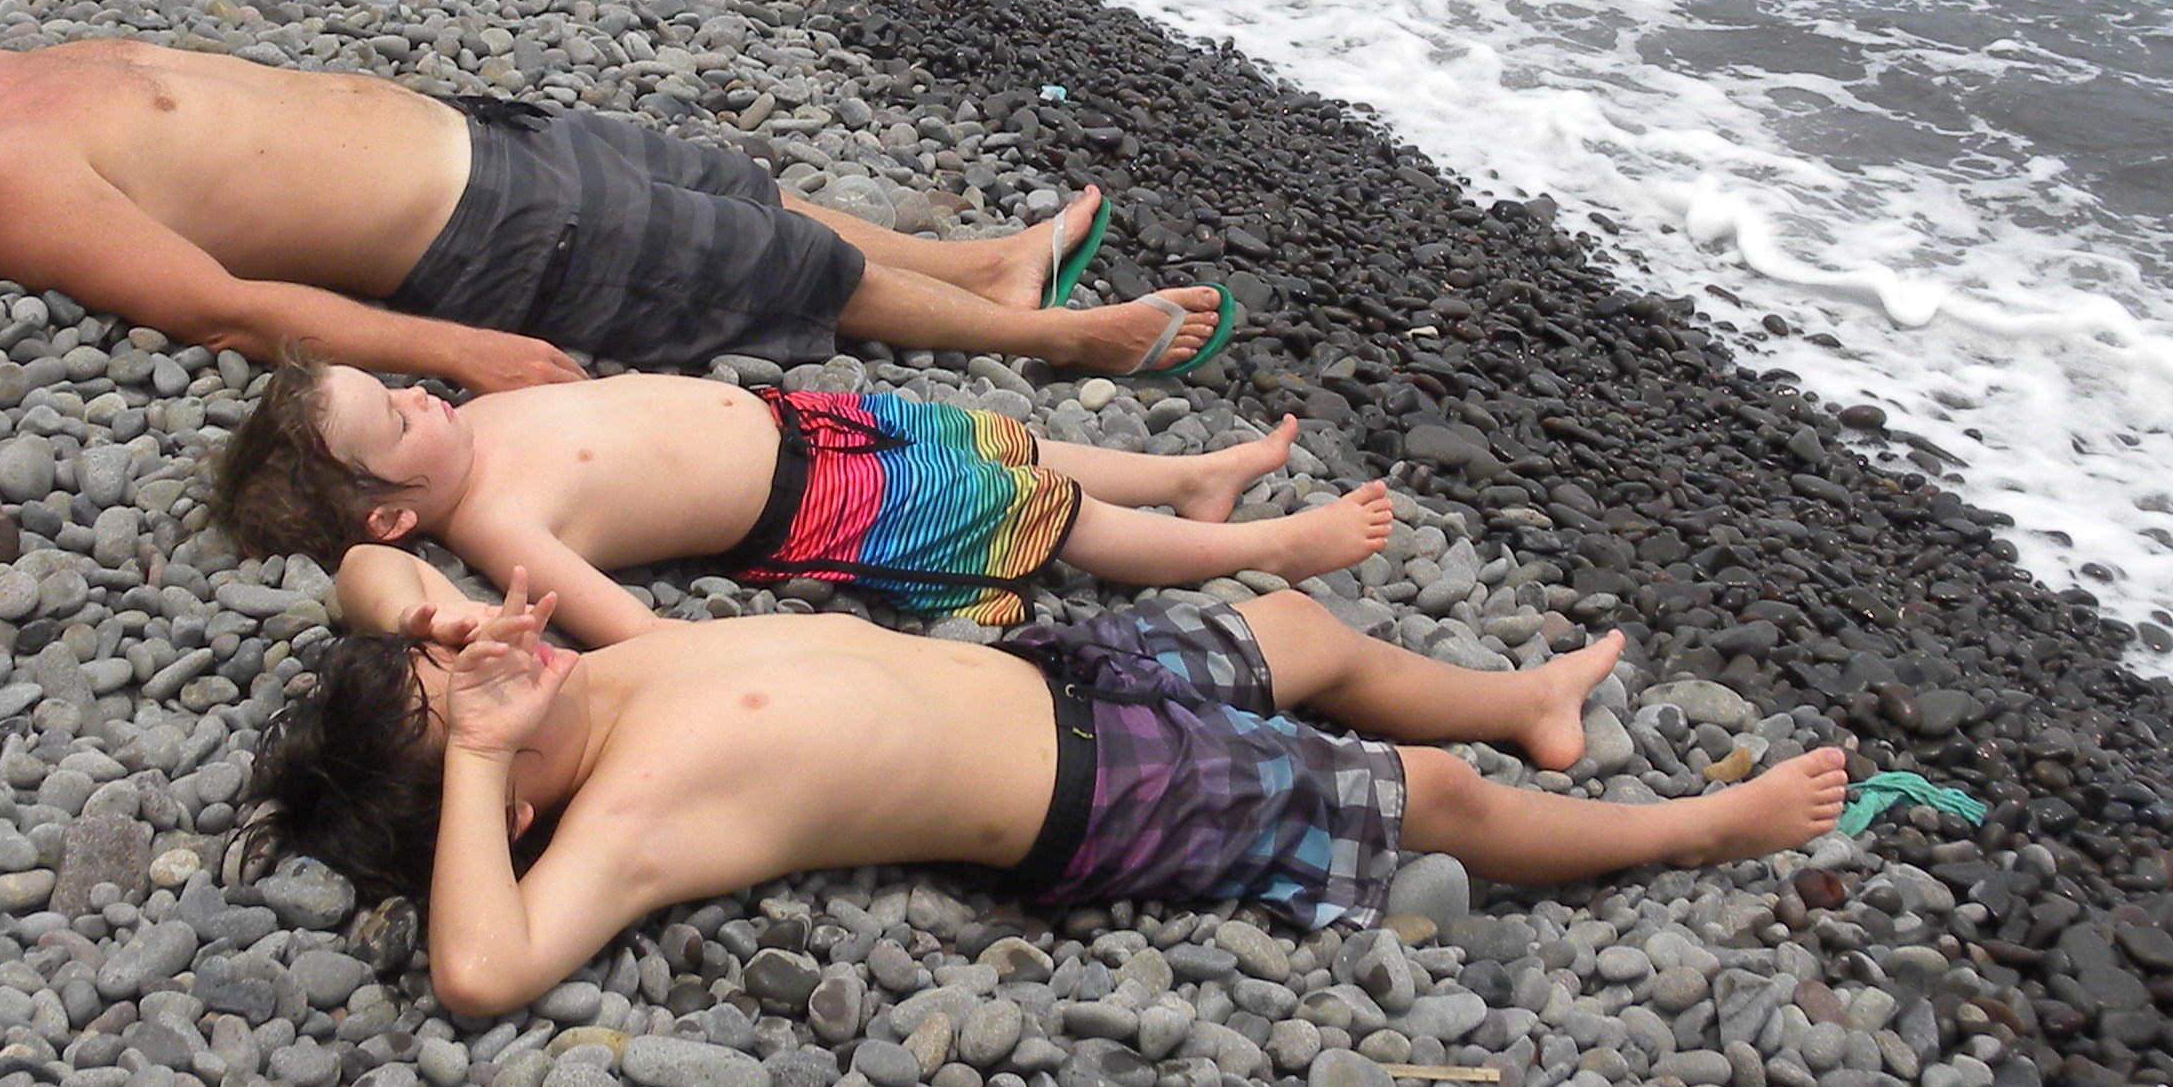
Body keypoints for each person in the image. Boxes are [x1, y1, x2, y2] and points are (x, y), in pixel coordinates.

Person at [249, 552, 1854, 1019]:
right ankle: (1690, 827)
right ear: (504, 808)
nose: (496, 662)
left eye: (468, 656)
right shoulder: (625, 813)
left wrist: (440, 645)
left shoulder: (593, 682)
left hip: (1044, 675)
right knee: (1422, 793)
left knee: (1298, 628)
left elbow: (370, 565)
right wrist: (476, 751)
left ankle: (1528, 700)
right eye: (473, 707)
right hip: (1092, 797)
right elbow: (480, 971)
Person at [0, 3, 1238, 392]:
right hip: (482, 241)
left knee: (735, 187)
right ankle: (1055, 343)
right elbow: (223, 309)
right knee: (763, 264)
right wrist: (462, 355)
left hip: (478, 138)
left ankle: (985, 262)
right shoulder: (0, 180)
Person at [216, 348, 1390, 632]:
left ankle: (1192, 477)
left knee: (999, 439)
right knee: (1039, 515)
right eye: (396, 422)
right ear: (392, 517)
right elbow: (627, 628)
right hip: (809, 513)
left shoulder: (473, 425)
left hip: (800, 422)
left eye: (400, 387)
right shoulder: (500, 522)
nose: (420, 399)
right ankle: (1265, 551)